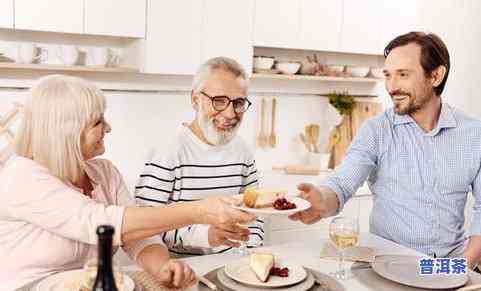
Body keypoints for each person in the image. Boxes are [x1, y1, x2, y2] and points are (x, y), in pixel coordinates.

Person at [0, 74, 255, 290]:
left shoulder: (103, 172)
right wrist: (199, 211)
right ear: (66, 130)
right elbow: (102, 222)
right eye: (98, 122)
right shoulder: (22, 176)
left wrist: (161, 266)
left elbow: (136, 236)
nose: (108, 128)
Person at [290, 31, 481, 269]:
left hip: (448, 265)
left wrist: (461, 267)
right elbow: (342, 183)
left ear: (436, 75)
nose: (391, 87)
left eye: (403, 75)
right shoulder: (376, 130)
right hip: (388, 268)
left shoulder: (474, 134)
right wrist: (322, 200)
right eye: (388, 75)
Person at [135, 57, 262, 256]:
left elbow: (256, 212)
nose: (230, 113)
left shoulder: (243, 150)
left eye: (238, 103)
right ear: (195, 100)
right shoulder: (169, 150)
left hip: (235, 266)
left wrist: (252, 252)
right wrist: (206, 236)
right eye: (219, 101)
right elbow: (142, 227)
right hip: (182, 268)